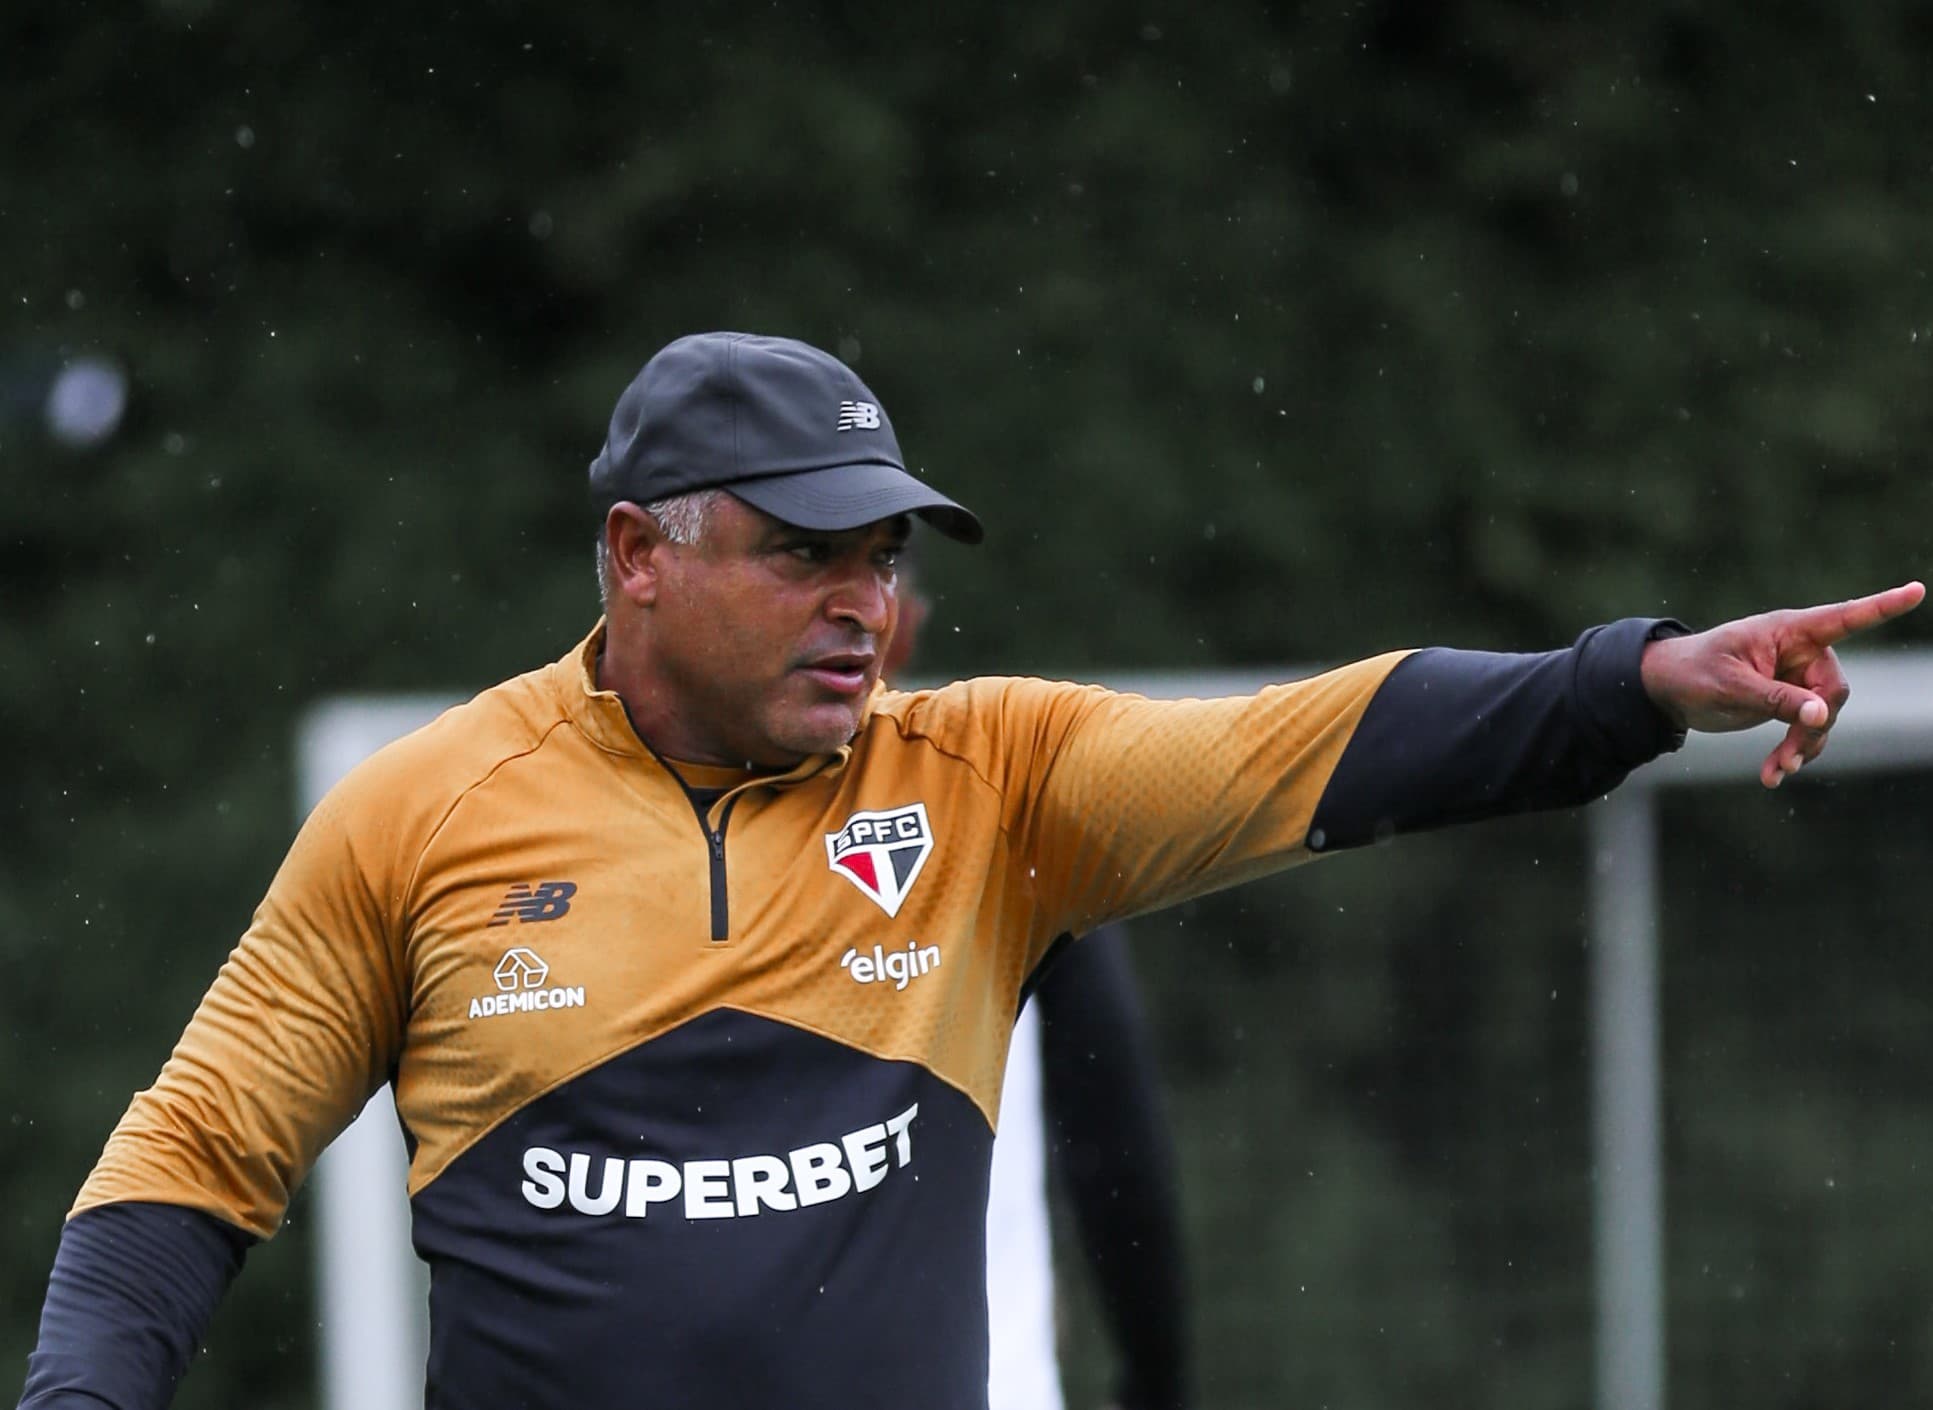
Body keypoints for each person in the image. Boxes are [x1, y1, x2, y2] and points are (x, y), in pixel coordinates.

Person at [17, 330, 1921, 1410]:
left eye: (886, 556)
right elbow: (192, 1162)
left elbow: (1330, 736)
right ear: (635, 557)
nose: (865, 607)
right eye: (803, 555)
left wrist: (1632, 681)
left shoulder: (991, 780)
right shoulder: (422, 813)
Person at [885, 563, 1190, 1410]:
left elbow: (1115, 1149)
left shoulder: (1002, 826)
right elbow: (1119, 1156)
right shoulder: (1000, 825)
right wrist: (1156, 1379)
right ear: (907, 627)